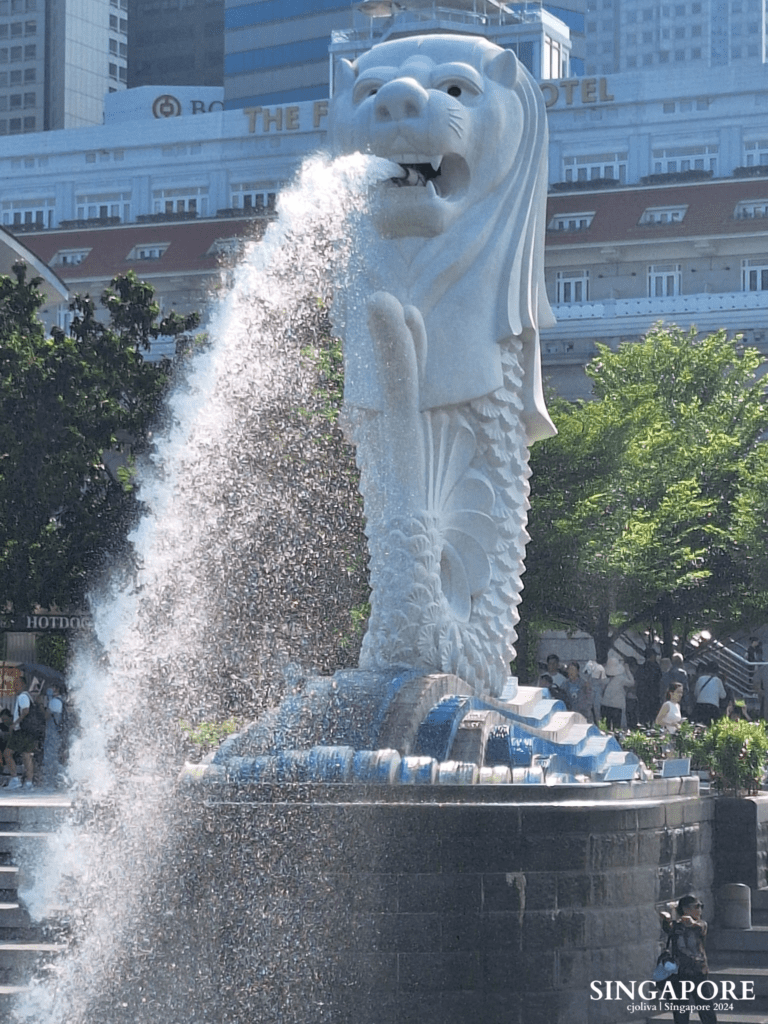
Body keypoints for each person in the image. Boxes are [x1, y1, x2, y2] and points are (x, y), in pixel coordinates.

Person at [659, 894, 717, 1024]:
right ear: (685, 909)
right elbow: (668, 929)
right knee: (680, 1010)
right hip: (680, 974)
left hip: (699, 973)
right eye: (696, 906)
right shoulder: (677, 926)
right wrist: (667, 919)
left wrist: (692, 922)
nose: (700, 910)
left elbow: (700, 927)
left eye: (701, 906)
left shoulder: (701, 924)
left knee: (706, 1008)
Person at [601, 651, 634, 730]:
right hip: (617, 706)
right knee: (617, 728)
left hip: (605, 704)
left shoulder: (604, 679)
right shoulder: (620, 679)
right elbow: (632, 682)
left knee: (607, 728)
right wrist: (627, 670)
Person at [42, 683, 65, 789]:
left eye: (51, 687)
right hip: (57, 733)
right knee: (56, 756)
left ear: (56, 689)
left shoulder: (54, 702)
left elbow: (46, 716)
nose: (49, 689)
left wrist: (44, 705)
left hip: (53, 733)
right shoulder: (61, 701)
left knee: (51, 757)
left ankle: (54, 781)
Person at [693, 662, 726, 727]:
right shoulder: (718, 681)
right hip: (712, 707)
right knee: (710, 727)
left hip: (700, 706)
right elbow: (723, 695)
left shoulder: (700, 678)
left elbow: (696, 694)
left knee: (697, 726)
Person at [636, 648, 662, 724]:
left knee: (643, 716)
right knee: (652, 717)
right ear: (652, 656)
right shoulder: (656, 667)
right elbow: (659, 680)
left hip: (642, 695)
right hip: (653, 695)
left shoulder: (641, 668)